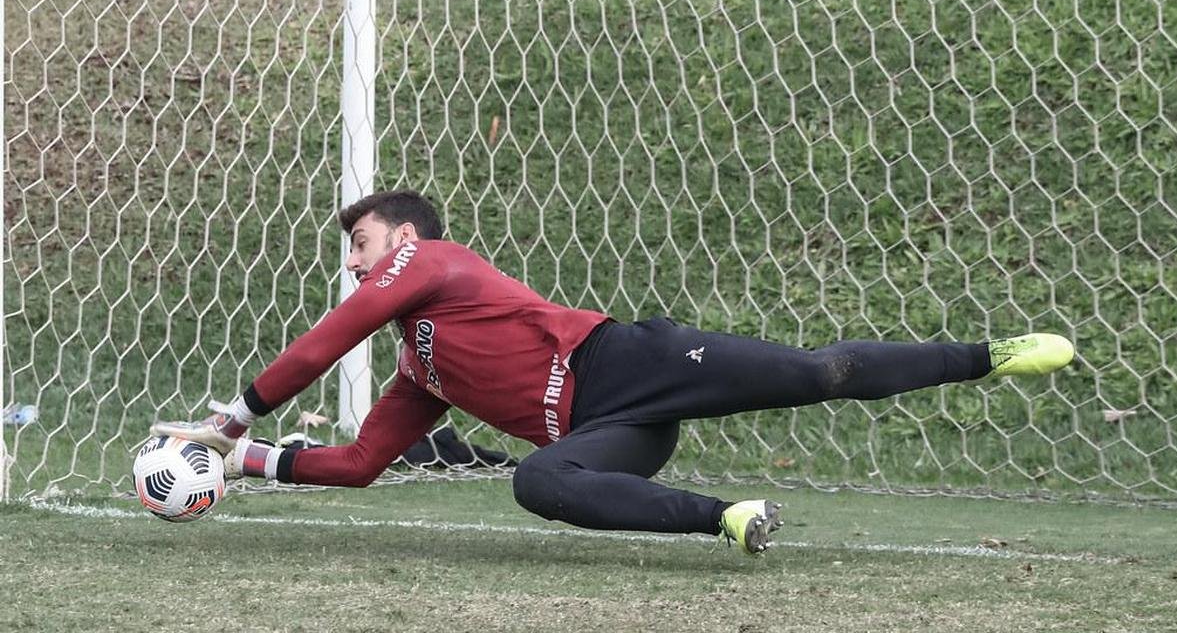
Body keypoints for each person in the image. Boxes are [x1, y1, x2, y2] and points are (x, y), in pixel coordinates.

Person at [152, 190, 1076, 555]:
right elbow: (360, 464)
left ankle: (986, 356)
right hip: (612, 432)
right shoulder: (420, 366)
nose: (353, 263)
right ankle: (727, 518)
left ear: (402, 237)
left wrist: (230, 420)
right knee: (538, 482)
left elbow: (328, 339)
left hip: (635, 359)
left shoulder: (433, 260)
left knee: (816, 373)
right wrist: (245, 462)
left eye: (360, 243)